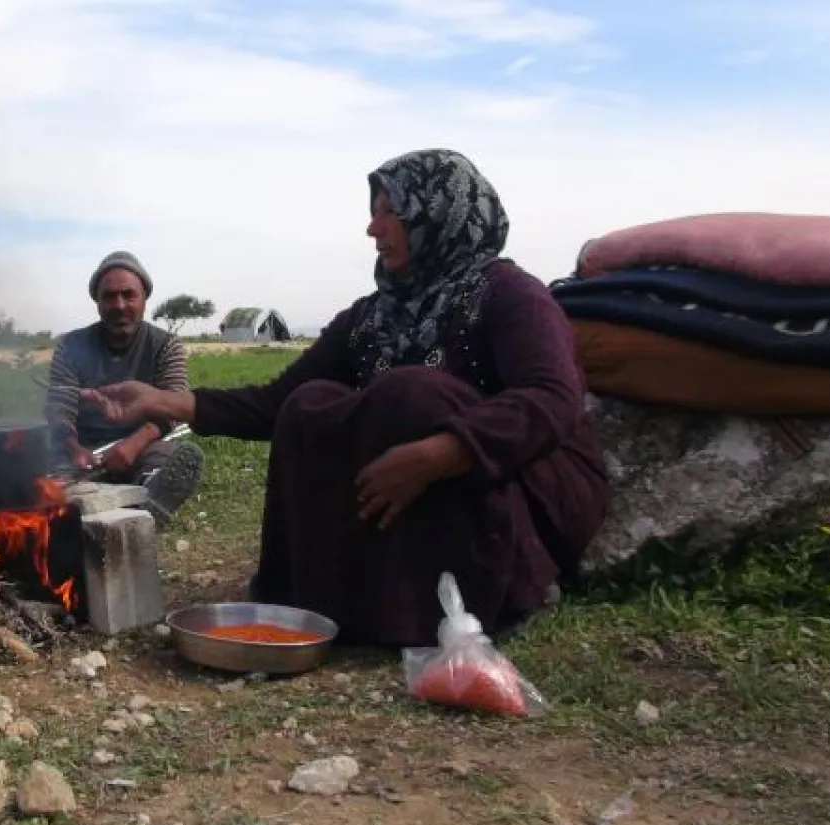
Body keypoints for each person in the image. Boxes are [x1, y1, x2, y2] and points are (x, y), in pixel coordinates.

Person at [81, 150, 611, 646]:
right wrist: (159, 402)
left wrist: (441, 453)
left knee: (411, 392)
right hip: (428, 486)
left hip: (528, 483)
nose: (372, 228)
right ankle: (339, 595)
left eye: (389, 212)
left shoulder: (509, 292)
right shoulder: (369, 317)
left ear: (436, 215)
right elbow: (277, 402)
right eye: (372, 212)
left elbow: (553, 398)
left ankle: (498, 589)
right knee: (311, 404)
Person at [45, 251, 206, 525]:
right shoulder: (70, 346)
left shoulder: (166, 345)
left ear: (144, 299)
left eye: (128, 295)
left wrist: (132, 445)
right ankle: (80, 498)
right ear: (97, 301)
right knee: (44, 465)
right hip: (83, 450)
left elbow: (172, 409)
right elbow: (59, 407)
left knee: (164, 458)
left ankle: (152, 495)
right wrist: (74, 448)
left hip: (143, 444)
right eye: (109, 296)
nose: (119, 305)